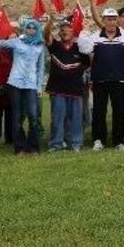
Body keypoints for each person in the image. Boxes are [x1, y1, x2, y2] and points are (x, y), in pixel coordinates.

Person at [78, 8, 124, 151]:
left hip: (120, 80)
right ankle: (98, 140)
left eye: (114, 19)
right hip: (100, 79)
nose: (111, 22)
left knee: (119, 111)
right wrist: (84, 31)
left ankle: (118, 141)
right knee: (99, 111)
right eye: (108, 19)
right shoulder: (95, 36)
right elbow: (84, 49)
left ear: (117, 20)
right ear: (103, 20)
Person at [0, 18, 46, 155]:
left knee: (33, 115)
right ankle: (19, 147)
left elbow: (41, 68)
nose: (31, 30)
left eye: (34, 28)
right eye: (29, 27)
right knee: (17, 116)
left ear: (37, 30)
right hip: (15, 82)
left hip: (31, 84)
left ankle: (33, 147)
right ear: (25, 28)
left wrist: (39, 87)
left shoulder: (40, 45)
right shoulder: (17, 42)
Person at [44, 19, 90, 152]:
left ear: (73, 31)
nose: (64, 31)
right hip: (57, 89)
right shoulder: (55, 45)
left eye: (67, 29)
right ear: (59, 33)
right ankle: (56, 143)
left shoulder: (80, 48)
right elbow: (46, 34)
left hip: (76, 89)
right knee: (57, 118)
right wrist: (51, 19)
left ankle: (76, 143)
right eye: (62, 30)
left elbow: (89, 62)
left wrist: (85, 32)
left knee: (76, 119)